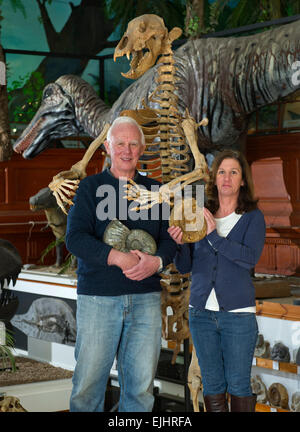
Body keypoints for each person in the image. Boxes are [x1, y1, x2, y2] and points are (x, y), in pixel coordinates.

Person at [66, 116, 177, 412]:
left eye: (133, 144)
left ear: (142, 148)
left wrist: (157, 261)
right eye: (120, 144)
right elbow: (74, 238)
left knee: (140, 391)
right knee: (88, 389)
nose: (126, 150)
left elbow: (170, 241)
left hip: (145, 300)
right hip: (99, 299)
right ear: (107, 147)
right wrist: (116, 257)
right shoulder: (90, 188)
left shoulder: (157, 191)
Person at [168, 149, 266, 412]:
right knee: (212, 385)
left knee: (238, 386)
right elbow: (186, 266)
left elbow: (248, 259)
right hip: (200, 315)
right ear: (214, 178)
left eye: (234, 172)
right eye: (221, 171)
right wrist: (178, 244)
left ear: (243, 180)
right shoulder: (199, 213)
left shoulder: (253, 217)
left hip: (238, 316)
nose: (227, 177)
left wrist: (213, 236)